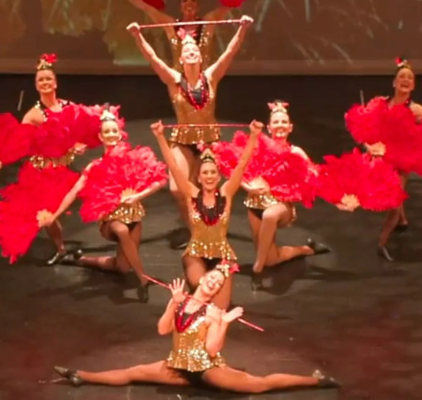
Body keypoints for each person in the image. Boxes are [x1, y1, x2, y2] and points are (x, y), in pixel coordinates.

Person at [52, 262, 339, 393]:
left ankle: (317, 380)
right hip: (177, 368)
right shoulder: (181, 301)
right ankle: (80, 376)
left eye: (218, 284)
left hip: (207, 371)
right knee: (132, 373)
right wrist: (171, 304)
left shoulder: (214, 312)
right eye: (211, 278)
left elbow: (213, 348)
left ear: (215, 291)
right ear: (201, 280)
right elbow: (164, 330)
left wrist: (223, 323)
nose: (213, 283)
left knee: (259, 384)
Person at [128, 15, 253, 233]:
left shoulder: (211, 76)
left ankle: (209, 229)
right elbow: (153, 58)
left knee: (208, 189)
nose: (191, 51)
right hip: (184, 140)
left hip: (210, 141)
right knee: (177, 189)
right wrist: (137, 35)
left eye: (194, 49)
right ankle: (194, 230)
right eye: (186, 50)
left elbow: (229, 53)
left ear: (200, 55)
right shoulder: (174, 79)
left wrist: (242, 29)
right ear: (182, 58)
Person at [44, 109, 165, 302]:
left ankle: (81, 260)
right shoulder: (95, 166)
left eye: (114, 131)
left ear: (120, 134)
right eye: (106, 132)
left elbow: (160, 181)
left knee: (122, 268)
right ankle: (143, 277)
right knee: (122, 230)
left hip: (134, 216)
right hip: (111, 222)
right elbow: (74, 191)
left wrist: (138, 196)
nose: (111, 135)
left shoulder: (133, 159)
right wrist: (55, 214)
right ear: (100, 136)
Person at [152, 120, 260, 310]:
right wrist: (160, 137)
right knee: (204, 290)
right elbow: (174, 168)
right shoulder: (191, 193)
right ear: (199, 177)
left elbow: (243, 164)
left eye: (213, 173)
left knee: (218, 309)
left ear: (218, 176)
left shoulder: (226, 193)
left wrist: (253, 136)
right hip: (196, 253)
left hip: (222, 255)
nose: (209, 176)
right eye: (205, 173)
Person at [0, 54, 84, 265]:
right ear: (36, 86)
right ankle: (61, 249)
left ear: (56, 82)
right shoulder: (33, 116)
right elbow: (18, 143)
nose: (45, 83)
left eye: (48, 79)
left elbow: (82, 130)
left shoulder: (70, 108)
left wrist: (78, 145)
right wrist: (1, 161)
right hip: (40, 173)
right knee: (47, 213)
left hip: (64, 170)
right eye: (41, 80)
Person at [244, 101, 330, 290]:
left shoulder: (296, 152)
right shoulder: (259, 147)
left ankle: (257, 270)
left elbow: (316, 177)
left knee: (270, 215)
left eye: (284, 121)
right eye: (276, 122)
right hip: (255, 204)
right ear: (269, 127)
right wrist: (248, 187)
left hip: (281, 207)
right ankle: (306, 249)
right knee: (271, 259)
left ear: (290, 127)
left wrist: (338, 198)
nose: (280, 125)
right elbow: (239, 172)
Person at [362, 59, 422, 261]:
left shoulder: (416, 110)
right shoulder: (381, 105)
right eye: (402, 77)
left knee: (393, 199)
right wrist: (370, 147)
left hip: (402, 159)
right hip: (383, 158)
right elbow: (366, 131)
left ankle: (381, 243)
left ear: (413, 85)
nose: (405, 80)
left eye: (410, 78)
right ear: (394, 82)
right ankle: (403, 220)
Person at [116, 0, 232, 72]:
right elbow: (145, 7)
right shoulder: (171, 25)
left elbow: (230, 4)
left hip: (205, 80)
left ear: (198, 6)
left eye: (193, 0)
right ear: (180, 7)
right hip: (178, 82)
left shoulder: (207, 23)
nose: (189, 3)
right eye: (185, 0)